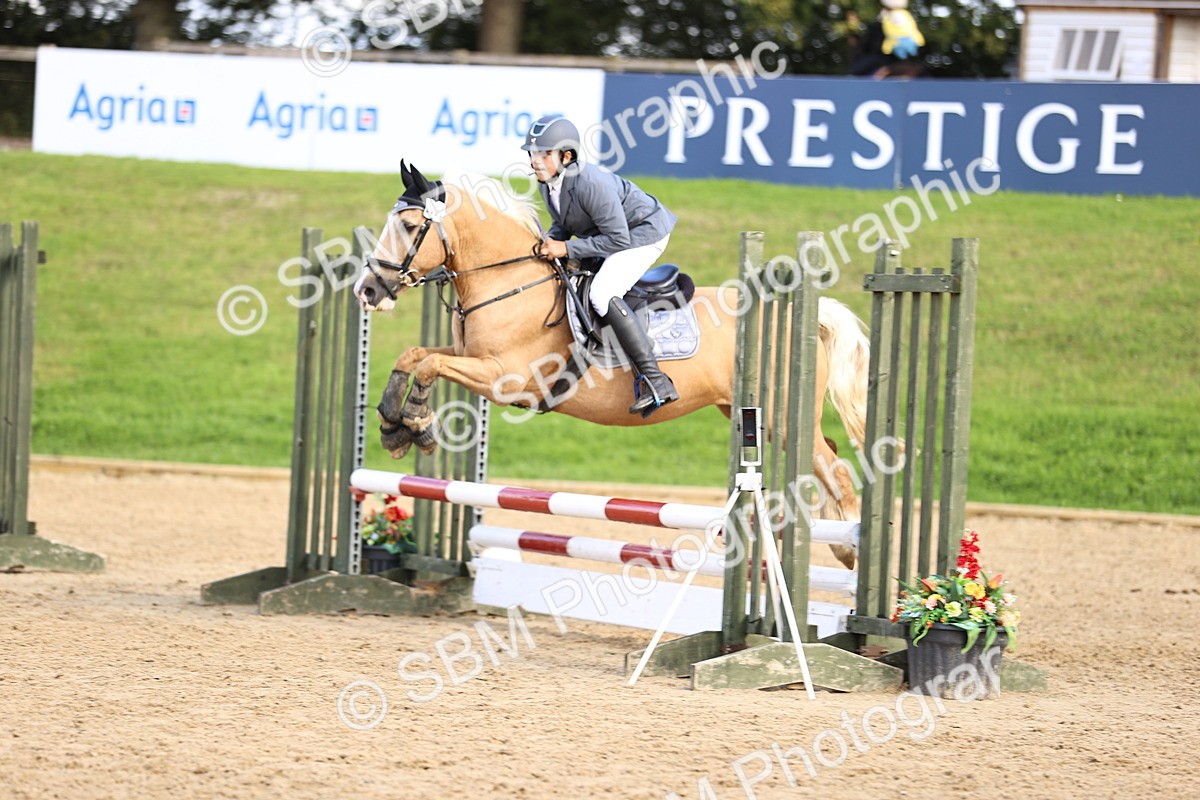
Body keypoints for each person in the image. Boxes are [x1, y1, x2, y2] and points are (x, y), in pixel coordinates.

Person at [521, 114, 680, 417]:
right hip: (610, 235)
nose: (535, 160)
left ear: (566, 156)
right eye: (532, 153)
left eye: (542, 153)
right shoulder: (548, 182)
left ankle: (656, 380)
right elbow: (562, 224)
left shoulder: (590, 182)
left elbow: (618, 239)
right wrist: (545, 243)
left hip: (643, 233)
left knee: (602, 292)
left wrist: (566, 247)